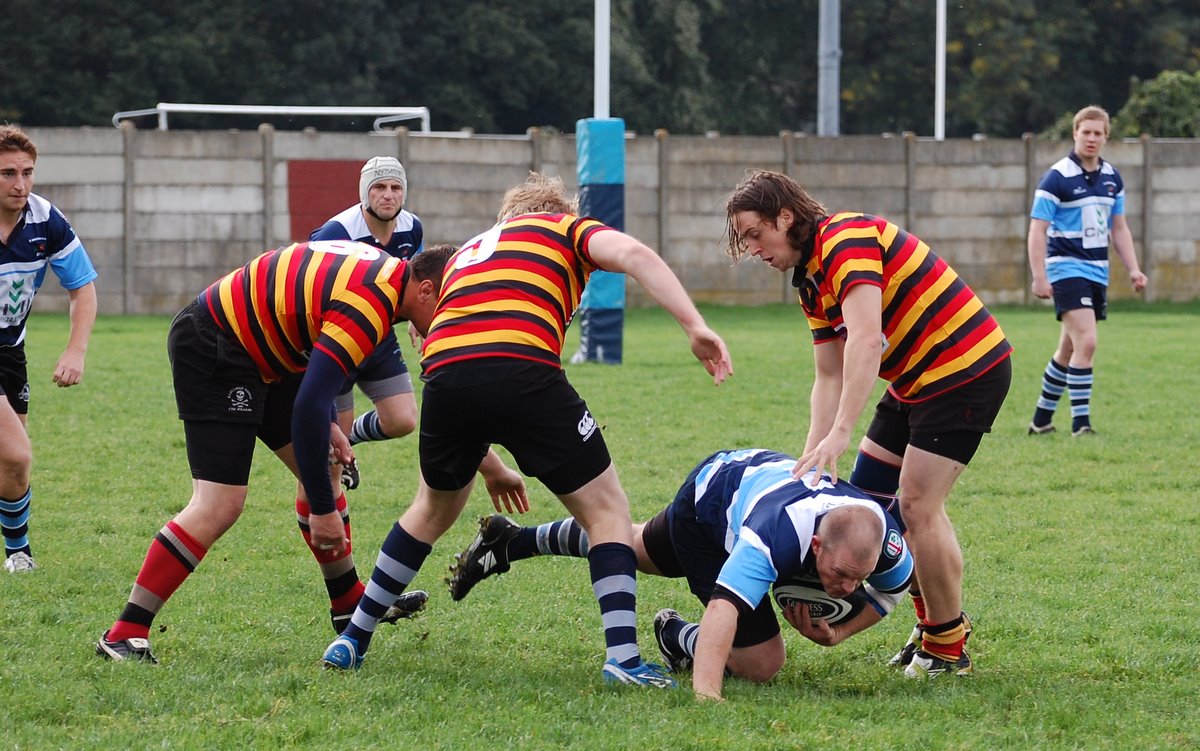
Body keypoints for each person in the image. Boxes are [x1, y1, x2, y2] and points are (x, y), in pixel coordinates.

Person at [320, 172, 733, 689]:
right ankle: (624, 660)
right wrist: (694, 325)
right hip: (523, 369)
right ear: (558, 210)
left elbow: (442, 339)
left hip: (445, 376)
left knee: (431, 509)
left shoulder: (468, 252)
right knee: (606, 511)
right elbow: (634, 254)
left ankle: (352, 638)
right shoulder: (564, 229)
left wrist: (489, 461)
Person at [95, 241, 527, 663]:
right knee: (220, 503)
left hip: (261, 349)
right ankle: (125, 632)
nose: (457, 317)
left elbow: (309, 351)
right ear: (426, 290)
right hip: (218, 344)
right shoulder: (371, 304)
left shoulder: (385, 280)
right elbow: (307, 404)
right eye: (453, 304)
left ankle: (348, 603)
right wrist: (322, 511)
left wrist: (327, 424)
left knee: (323, 467)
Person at [723, 170, 1011, 678]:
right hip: (914, 380)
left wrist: (842, 432)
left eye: (754, 234)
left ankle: (948, 648)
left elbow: (865, 339)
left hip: (965, 370)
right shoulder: (810, 282)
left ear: (784, 218)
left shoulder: (844, 239)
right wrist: (810, 460)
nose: (752, 249)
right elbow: (829, 373)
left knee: (917, 507)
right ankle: (931, 625)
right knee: (871, 509)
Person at [447, 448, 914, 702]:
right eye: (841, 575)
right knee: (763, 663)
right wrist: (707, 695)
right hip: (710, 507)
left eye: (858, 577)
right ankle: (677, 638)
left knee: (628, 547)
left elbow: (890, 595)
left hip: (743, 478)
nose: (848, 588)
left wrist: (839, 633)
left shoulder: (882, 542)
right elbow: (724, 606)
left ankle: (511, 541)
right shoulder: (775, 536)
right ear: (815, 547)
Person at [0, 125, 98, 573]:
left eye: (27, 173)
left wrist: (76, 350)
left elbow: (82, 287)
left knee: (13, 467)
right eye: (7, 174)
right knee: (17, 453)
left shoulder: (45, 220)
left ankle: (18, 552)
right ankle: (18, 555)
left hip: (11, 351)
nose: (20, 184)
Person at [1027, 105, 1148, 437]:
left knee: (1069, 348)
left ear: (1106, 137)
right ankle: (1081, 425)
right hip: (1065, 268)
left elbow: (1118, 228)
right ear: (1075, 133)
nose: (1091, 138)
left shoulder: (1112, 178)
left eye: (1098, 133)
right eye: (1086, 132)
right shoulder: (1057, 177)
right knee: (1088, 342)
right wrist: (1039, 276)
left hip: (1097, 271)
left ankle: (1040, 421)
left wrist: (1134, 269)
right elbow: (1037, 229)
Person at [309, 156, 425, 490]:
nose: (388, 195)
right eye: (379, 187)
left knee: (403, 420)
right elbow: (310, 286)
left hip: (379, 336)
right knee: (330, 460)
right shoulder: (337, 233)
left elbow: (415, 277)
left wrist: (416, 317)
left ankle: (350, 438)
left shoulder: (411, 227)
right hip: (339, 340)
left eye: (396, 187)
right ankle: (327, 513)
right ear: (364, 192)